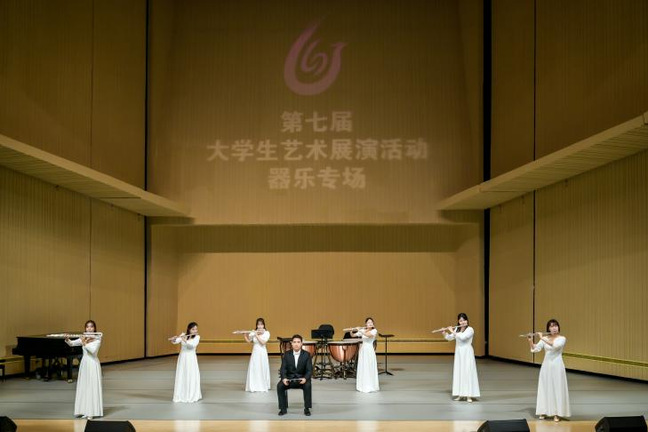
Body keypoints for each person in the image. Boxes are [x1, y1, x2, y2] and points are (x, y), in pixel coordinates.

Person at [527, 319, 570, 422]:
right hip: (546, 366)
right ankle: (544, 411)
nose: (554, 328)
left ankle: (557, 413)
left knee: (557, 388)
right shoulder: (545, 338)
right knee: (545, 387)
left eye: (555, 326)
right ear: (548, 328)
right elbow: (536, 349)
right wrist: (530, 341)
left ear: (558, 327)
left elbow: (555, 345)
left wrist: (541, 337)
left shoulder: (562, 338)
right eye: (551, 326)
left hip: (557, 366)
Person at [65, 320, 102, 419]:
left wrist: (84, 343)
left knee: (91, 387)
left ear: (94, 328)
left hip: (93, 364)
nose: (89, 328)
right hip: (84, 364)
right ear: (85, 328)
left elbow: (93, 351)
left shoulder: (98, 339)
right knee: (84, 386)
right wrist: (68, 339)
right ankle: (85, 411)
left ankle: (92, 412)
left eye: (91, 326)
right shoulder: (84, 337)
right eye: (87, 327)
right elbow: (72, 344)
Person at [443, 313, 480, 402]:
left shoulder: (470, 329)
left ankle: (469, 395)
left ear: (467, 320)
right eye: (460, 320)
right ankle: (460, 394)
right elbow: (449, 338)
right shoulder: (457, 329)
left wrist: (452, 331)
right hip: (459, 353)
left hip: (467, 352)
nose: (463, 322)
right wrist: (444, 333)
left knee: (467, 372)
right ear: (458, 322)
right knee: (459, 372)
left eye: (464, 320)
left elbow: (463, 338)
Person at [277, 334, 312, 416]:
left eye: (298, 342)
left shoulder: (307, 354)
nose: (296, 344)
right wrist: (284, 378)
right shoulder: (286, 354)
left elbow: (309, 370)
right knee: (280, 386)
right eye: (294, 342)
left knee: (308, 385)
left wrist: (305, 378)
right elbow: (283, 368)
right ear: (291, 343)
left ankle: (307, 408)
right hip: (289, 379)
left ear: (301, 343)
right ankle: (283, 408)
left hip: (302, 379)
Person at [171, 322, 202, 403]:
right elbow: (176, 341)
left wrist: (185, 340)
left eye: (196, 329)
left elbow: (192, 346)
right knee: (182, 374)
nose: (195, 331)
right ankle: (181, 395)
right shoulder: (183, 334)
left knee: (191, 374)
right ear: (189, 329)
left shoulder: (197, 337)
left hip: (191, 358)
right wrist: (174, 339)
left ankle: (191, 395)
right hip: (183, 358)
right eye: (193, 329)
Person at [351, 317, 380, 393]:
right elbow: (353, 335)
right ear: (366, 324)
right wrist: (352, 330)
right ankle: (362, 385)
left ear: (373, 324)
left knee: (369, 366)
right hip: (363, 350)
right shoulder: (363, 330)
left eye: (371, 322)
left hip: (369, 350)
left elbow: (368, 335)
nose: (370, 323)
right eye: (368, 322)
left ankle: (370, 385)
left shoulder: (374, 331)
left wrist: (360, 330)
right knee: (363, 366)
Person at [244, 317, 271, 392]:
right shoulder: (253, 332)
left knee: (262, 367)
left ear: (264, 325)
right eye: (258, 324)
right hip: (255, 353)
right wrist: (245, 335)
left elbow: (263, 342)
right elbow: (249, 341)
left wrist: (256, 335)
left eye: (261, 324)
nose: (260, 326)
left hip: (262, 353)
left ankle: (263, 385)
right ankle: (253, 385)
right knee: (254, 368)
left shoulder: (266, 333)